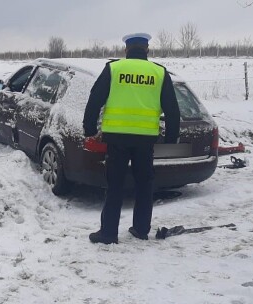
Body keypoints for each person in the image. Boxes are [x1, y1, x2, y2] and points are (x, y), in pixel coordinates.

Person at [83, 33, 180, 244]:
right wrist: (172, 138)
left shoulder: (114, 69)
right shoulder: (159, 72)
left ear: (126, 50)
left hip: (116, 139)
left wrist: (89, 128)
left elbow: (95, 99)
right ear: (147, 50)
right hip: (145, 140)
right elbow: (172, 108)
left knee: (115, 185)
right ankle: (141, 229)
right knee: (145, 184)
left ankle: (108, 233)